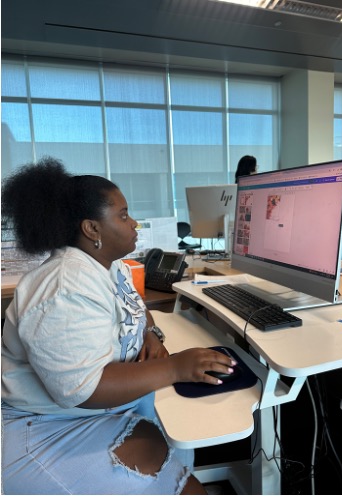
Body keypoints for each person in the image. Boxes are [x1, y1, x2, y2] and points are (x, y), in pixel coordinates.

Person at [1, 157, 237, 495]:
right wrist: (175, 368)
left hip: (91, 415)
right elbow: (85, 388)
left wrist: (151, 334)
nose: (134, 223)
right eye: (123, 215)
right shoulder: (64, 287)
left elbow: (137, 311)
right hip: (43, 428)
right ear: (92, 229)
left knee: (176, 461)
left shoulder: (111, 266)